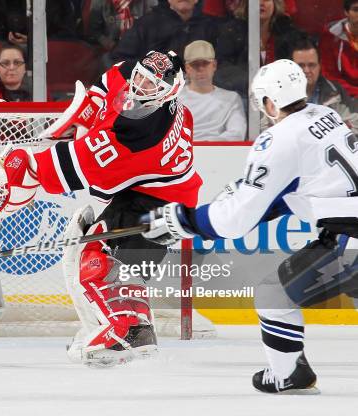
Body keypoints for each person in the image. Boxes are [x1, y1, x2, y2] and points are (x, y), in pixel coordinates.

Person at [0, 50, 202, 367]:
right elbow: (104, 89)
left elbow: (89, 182)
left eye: (150, 85)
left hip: (159, 204)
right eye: (140, 78)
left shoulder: (138, 136)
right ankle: (127, 330)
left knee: (98, 258)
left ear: (168, 91)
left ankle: (128, 331)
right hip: (151, 191)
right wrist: (83, 120)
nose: (140, 86)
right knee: (99, 254)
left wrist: (16, 168)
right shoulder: (133, 77)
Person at [143, 59, 358, 393]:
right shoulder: (325, 115)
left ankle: (289, 375)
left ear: (270, 102)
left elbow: (235, 220)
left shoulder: (278, 140)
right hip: (347, 232)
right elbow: (306, 189)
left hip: (350, 242)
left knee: (274, 295)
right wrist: (254, 202)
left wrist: (184, 219)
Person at [110, 0, 218, 63]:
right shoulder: (146, 24)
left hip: (200, 93)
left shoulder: (210, 26)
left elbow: (221, 63)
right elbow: (119, 59)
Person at [179, 40, 246, 140]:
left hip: (220, 154)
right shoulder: (173, 100)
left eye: (205, 63)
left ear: (214, 65)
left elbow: (237, 134)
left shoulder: (231, 99)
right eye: (195, 64)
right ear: (187, 68)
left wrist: (207, 147)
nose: (201, 69)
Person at [287, 37, 356, 133]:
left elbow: (354, 124)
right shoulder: (280, 95)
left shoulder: (336, 91)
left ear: (320, 66)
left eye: (311, 65)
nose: (306, 70)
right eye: (301, 65)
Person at [319, 0, 358, 98]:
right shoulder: (330, 36)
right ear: (346, 12)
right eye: (356, 10)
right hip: (343, 96)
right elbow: (329, 75)